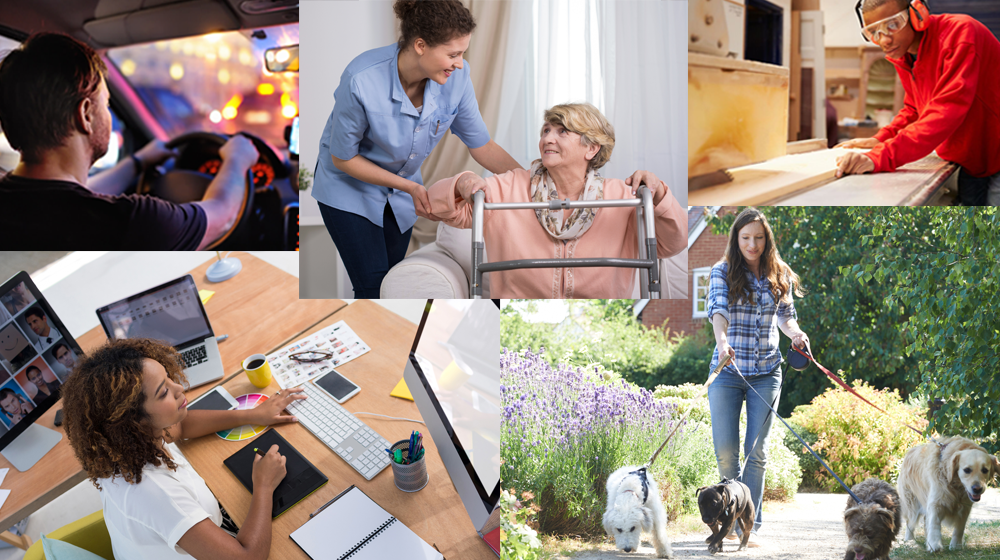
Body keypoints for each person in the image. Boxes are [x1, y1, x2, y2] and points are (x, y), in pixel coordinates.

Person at [312, 0, 522, 297]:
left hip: (402, 193)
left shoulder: (457, 77)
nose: (460, 63)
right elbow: (343, 158)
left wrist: (532, 181)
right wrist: (409, 188)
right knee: (372, 287)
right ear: (421, 45)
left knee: (394, 286)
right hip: (348, 188)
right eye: (453, 54)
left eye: (462, 53)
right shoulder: (361, 79)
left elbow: (482, 144)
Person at [0, 33, 261, 249]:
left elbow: (73, 198)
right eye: (107, 103)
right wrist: (237, 161)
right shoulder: (131, 223)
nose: (108, 113)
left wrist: (137, 162)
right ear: (86, 115)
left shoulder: (17, 203)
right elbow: (223, 215)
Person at [60, 338, 307, 559]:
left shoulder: (127, 443)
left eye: (168, 377)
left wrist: (253, 415)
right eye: (164, 391)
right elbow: (247, 557)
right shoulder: (153, 492)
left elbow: (181, 426)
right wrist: (263, 486)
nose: (179, 388)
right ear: (134, 421)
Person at [428, 103, 687, 298]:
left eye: (562, 132)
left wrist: (659, 194)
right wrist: (462, 182)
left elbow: (673, 243)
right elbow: (437, 207)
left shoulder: (624, 196)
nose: (547, 139)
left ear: (591, 148)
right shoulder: (507, 187)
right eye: (546, 130)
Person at [705, 208, 810, 545]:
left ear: (767, 240)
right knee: (726, 451)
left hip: (766, 371)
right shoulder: (722, 271)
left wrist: (796, 334)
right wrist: (722, 342)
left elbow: (786, 317)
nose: (752, 244)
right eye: (746, 237)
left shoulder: (779, 273)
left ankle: (749, 526)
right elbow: (718, 311)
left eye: (758, 238)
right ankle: (730, 518)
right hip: (727, 370)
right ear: (736, 239)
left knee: (757, 450)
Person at [835, 0, 1000, 206]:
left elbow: (946, 110)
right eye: (873, 32)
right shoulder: (906, 55)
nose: (884, 39)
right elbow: (915, 109)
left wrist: (880, 157)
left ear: (917, 14)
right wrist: (882, 138)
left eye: (892, 25)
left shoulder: (960, 34)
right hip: (973, 159)